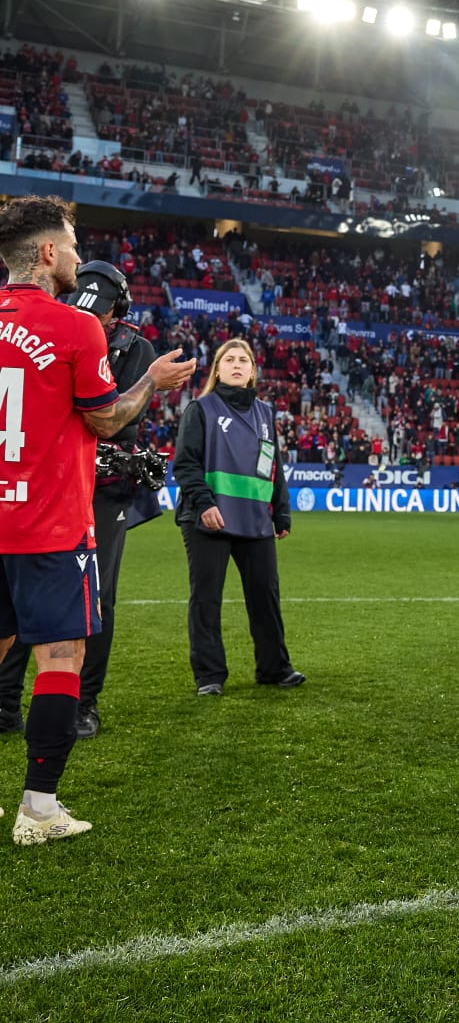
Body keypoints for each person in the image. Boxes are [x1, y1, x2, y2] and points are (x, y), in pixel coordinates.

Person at [0, 196, 195, 844]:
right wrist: (155, 381)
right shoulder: (74, 328)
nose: (80, 260)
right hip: (50, 524)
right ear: (49, 253)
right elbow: (106, 416)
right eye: (75, 248)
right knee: (61, 654)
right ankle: (38, 806)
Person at [0, 260, 157, 739]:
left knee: (96, 599)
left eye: (105, 310)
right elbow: (104, 418)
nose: (99, 318)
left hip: (100, 493)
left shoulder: (132, 344)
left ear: (120, 309)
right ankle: (7, 703)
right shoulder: (65, 327)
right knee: (19, 603)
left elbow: (118, 426)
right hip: (51, 485)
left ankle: (83, 704)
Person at [173, 338, 304, 695]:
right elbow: (184, 465)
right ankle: (210, 676)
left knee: (265, 595)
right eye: (228, 359)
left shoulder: (265, 414)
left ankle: (274, 668)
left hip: (255, 518)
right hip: (208, 519)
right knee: (206, 599)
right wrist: (204, 504)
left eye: (243, 360)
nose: (236, 364)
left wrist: (282, 514)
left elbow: (273, 467)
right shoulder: (201, 410)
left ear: (252, 371)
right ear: (217, 369)